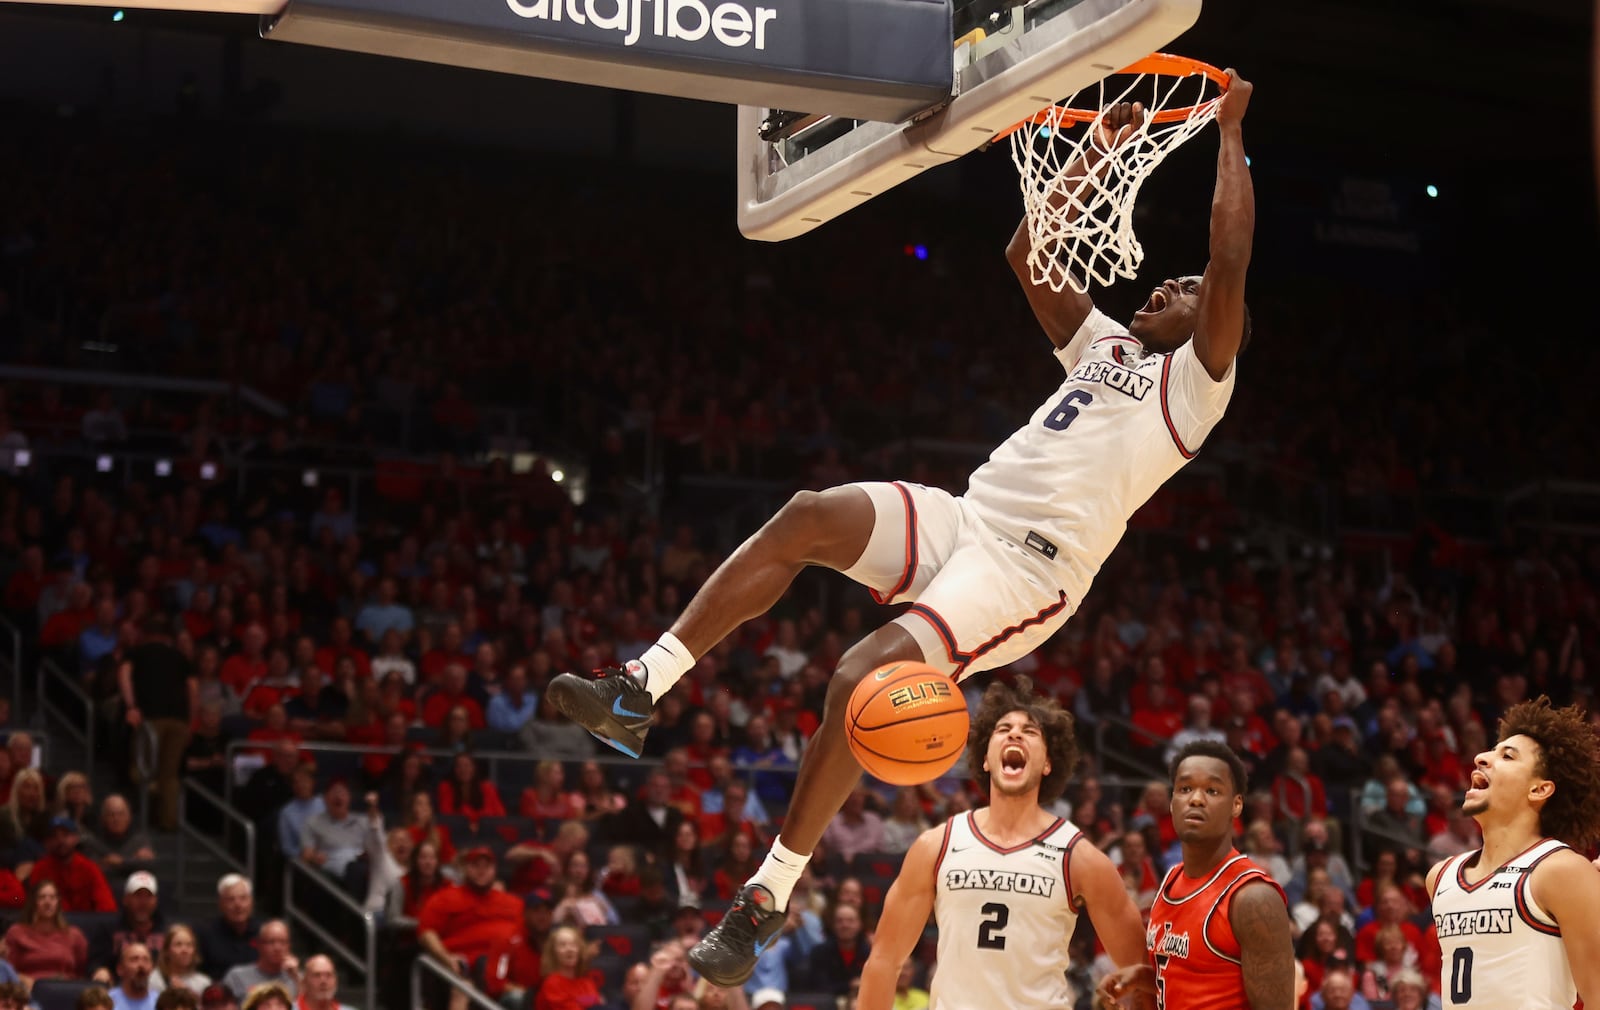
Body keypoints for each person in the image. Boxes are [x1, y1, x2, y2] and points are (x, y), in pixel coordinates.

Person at [549, 71, 1258, 987]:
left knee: (857, 675)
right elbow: (1027, 252)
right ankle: (640, 687)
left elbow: (1231, 261)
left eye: (1190, 288)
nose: (1175, 282)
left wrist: (1229, 134)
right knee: (807, 517)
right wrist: (1096, 154)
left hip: (1024, 572)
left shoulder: (1196, 389)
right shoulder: (1110, 345)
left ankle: (768, 893)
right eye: (1175, 278)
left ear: (1218, 324)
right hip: (967, 515)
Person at [858, 677, 1145, 1010]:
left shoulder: (1079, 857)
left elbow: (1140, 973)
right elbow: (883, 961)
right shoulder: (936, 846)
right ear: (985, 758)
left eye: (1031, 731)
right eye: (1003, 728)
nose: (1015, 733)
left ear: (1048, 763)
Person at [1424, 697, 1600, 1010]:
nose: (1480, 758)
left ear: (1539, 790)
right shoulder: (1440, 877)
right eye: (1490, 751)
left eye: (1507, 756)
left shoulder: (1559, 871)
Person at [1097, 740, 1296, 1010]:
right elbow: (1195, 979)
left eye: (1212, 790)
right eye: (1185, 788)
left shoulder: (1253, 898)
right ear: (1172, 802)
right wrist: (1144, 978)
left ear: (1236, 805)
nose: (1196, 799)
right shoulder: (1170, 879)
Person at [116, 615, 195, 832]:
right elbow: (192, 688)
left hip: (151, 719)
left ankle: (144, 816)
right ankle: (168, 822)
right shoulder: (180, 657)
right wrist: (191, 721)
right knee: (169, 775)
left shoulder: (137, 653)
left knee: (142, 769)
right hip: (179, 721)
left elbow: (123, 674)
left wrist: (131, 706)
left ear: (145, 634)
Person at [3, 879, 89, 980]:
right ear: (33, 901)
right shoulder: (17, 932)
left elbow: (83, 972)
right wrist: (24, 980)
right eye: (42, 897)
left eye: (52, 898)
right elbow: (7, 970)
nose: (47, 902)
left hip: (64, 988)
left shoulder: (74, 934)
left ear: (58, 902)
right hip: (27, 989)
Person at [197, 875, 262, 976]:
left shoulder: (263, 932)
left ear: (251, 902)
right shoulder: (205, 934)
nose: (238, 905)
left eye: (243, 898)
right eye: (231, 899)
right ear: (221, 904)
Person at [219, 921, 299, 1000]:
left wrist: (296, 977)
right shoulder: (236, 976)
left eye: (283, 942)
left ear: (289, 946)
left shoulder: (294, 978)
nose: (277, 948)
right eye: (271, 942)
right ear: (259, 945)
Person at [150, 924, 212, 996]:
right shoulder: (154, 979)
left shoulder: (204, 983)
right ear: (166, 951)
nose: (185, 950)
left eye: (189, 945)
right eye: (178, 945)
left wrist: (187, 993)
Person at [110, 942, 158, 1010]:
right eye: (134, 959)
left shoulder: (160, 1003)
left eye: (146, 960)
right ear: (120, 969)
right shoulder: (109, 1003)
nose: (141, 965)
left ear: (152, 968)